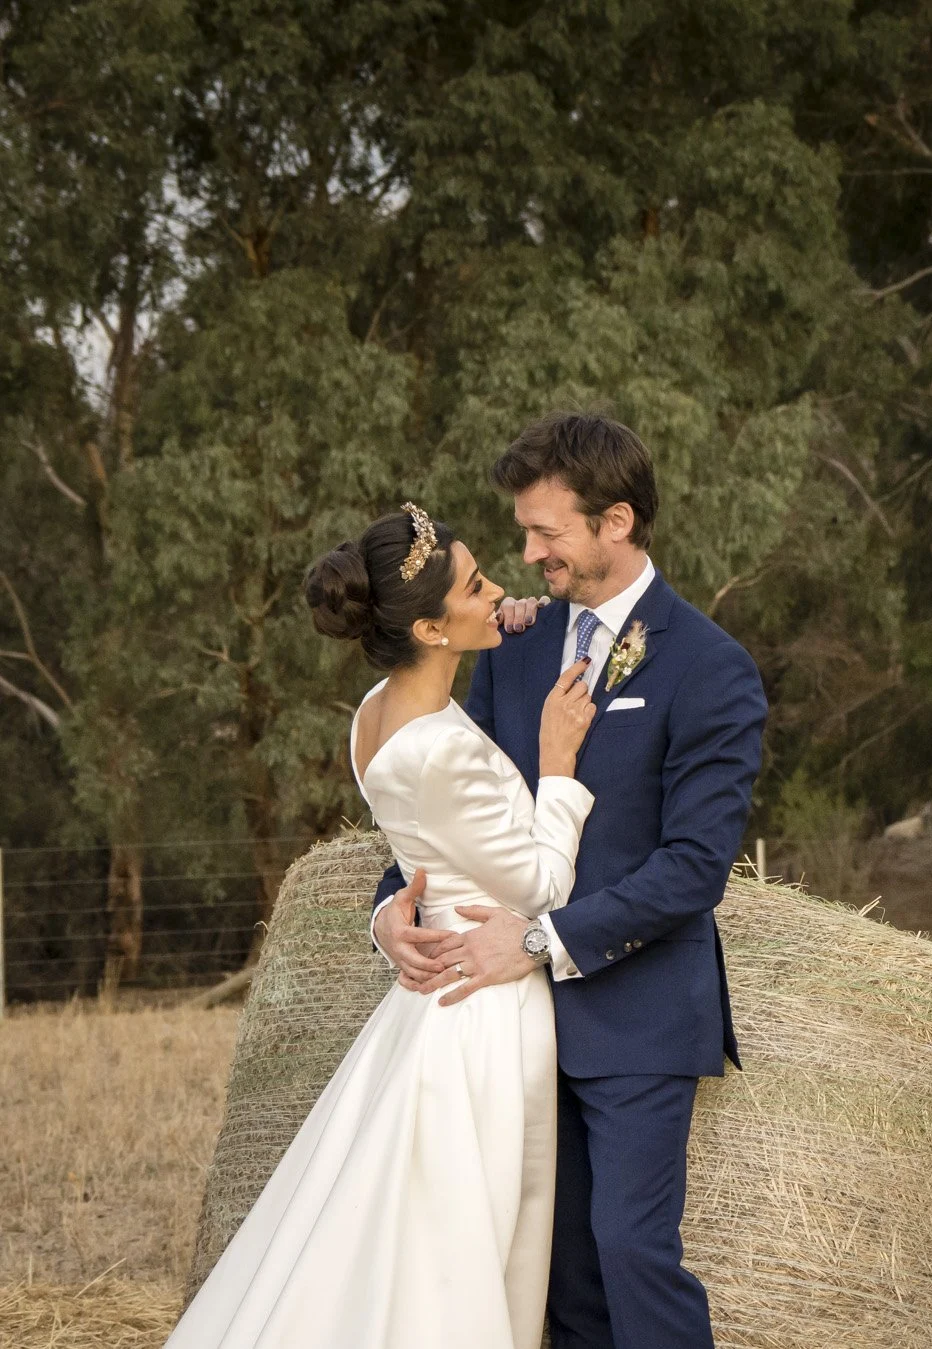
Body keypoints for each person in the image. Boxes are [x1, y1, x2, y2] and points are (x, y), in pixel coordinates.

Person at [372, 412, 765, 1349]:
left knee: (631, 1252)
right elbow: (451, 797)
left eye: (547, 531)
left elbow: (693, 867)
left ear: (616, 522)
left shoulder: (714, 670)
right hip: (510, 1031)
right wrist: (391, 903)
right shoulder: (509, 648)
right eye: (523, 530)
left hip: (637, 1017)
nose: (528, 550)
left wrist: (540, 940)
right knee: (562, 1280)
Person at [169, 503, 600, 1349]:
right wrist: (558, 765)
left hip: (426, 1001)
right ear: (433, 627)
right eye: (479, 585)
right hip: (484, 1012)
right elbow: (546, 882)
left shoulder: (373, 713)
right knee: (460, 1241)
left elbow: (421, 852)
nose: (500, 589)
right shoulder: (444, 750)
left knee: (400, 1227)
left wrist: (384, 916)